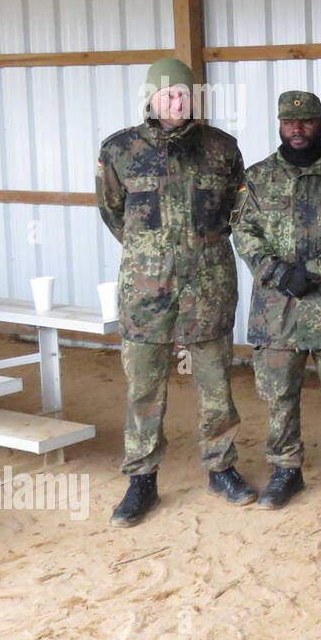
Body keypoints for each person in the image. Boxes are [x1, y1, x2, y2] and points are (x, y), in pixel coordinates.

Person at [96, 58, 257, 526]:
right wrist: (151, 254)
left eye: (185, 94)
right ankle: (141, 479)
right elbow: (113, 212)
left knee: (215, 385)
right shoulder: (119, 149)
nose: (178, 101)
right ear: (151, 98)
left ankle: (221, 467)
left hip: (208, 287)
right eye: (168, 94)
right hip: (147, 292)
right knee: (144, 389)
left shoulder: (221, 148)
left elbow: (238, 209)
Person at [231, 90, 321, 508]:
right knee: (279, 396)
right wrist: (278, 272)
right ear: (279, 125)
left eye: (307, 121)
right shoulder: (257, 178)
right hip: (277, 312)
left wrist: (314, 272)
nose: (298, 128)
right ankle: (285, 468)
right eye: (290, 122)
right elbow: (244, 233)